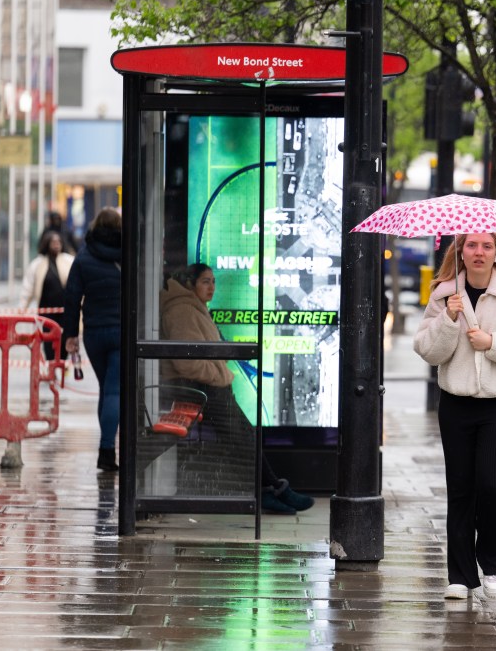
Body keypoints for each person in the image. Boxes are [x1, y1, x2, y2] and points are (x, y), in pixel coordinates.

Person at [413, 233, 496, 600]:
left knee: (489, 484)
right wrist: (448, 319)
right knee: (460, 488)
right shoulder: (444, 294)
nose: (478, 252)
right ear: (460, 251)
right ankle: (459, 576)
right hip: (455, 403)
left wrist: (493, 344)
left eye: (486, 246)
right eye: (471, 245)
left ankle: (492, 562)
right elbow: (427, 349)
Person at [159, 263, 314, 515]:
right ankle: (269, 490)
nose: (211, 287)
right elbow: (186, 362)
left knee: (245, 436)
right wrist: (219, 375)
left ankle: (271, 489)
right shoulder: (181, 311)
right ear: (190, 284)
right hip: (194, 390)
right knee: (243, 438)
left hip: (206, 389)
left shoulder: (194, 308)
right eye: (205, 282)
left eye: (213, 281)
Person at [63, 207, 122, 472]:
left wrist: (71, 335)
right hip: (122, 331)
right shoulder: (129, 253)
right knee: (114, 391)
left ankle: (107, 447)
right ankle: (107, 451)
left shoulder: (84, 257)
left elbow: (72, 298)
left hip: (95, 334)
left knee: (107, 390)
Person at [20, 231, 74, 361]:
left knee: (64, 339)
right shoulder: (37, 264)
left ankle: (61, 364)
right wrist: (21, 309)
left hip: (65, 311)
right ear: (47, 244)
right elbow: (27, 288)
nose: (56, 245)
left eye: (58, 242)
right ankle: (51, 366)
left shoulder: (69, 261)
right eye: (53, 242)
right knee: (48, 340)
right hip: (46, 312)